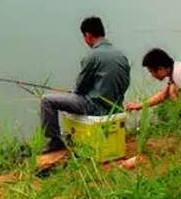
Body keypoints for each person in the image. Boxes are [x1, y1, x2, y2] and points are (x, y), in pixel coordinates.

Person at [40, 16, 130, 153]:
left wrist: (75, 93)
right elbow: (124, 84)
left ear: (87, 35)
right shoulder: (121, 56)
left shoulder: (92, 56)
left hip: (94, 107)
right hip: (115, 107)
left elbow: (80, 88)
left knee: (47, 101)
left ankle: (55, 141)